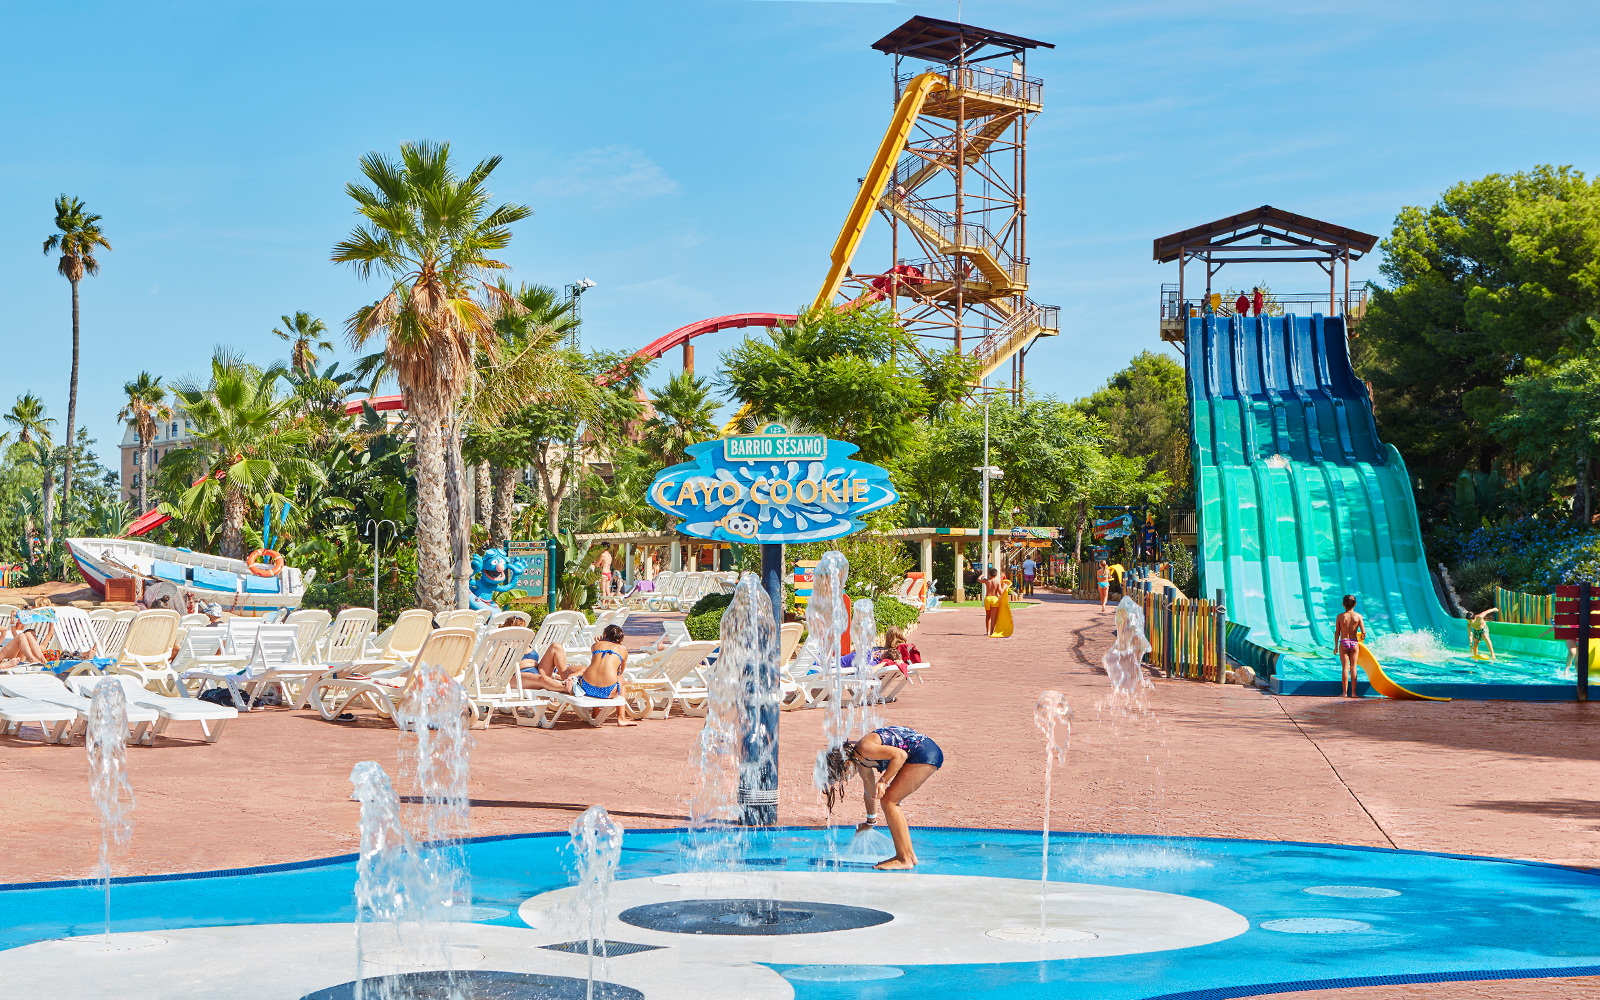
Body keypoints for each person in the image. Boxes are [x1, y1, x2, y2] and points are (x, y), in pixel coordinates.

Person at [821, 725, 944, 870]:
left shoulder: (864, 748)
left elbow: (900, 755)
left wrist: (884, 781)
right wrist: (870, 822)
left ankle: (903, 859)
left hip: (925, 753)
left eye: (843, 775)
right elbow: (870, 793)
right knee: (890, 801)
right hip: (923, 752)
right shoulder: (862, 763)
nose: (846, 779)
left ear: (847, 763)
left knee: (889, 801)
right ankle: (909, 856)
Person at [520, 623, 635, 726]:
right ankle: (621, 717)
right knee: (620, 679)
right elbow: (619, 672)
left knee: (594, 673)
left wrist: (599, 642)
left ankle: (595, 713)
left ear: (604, 635)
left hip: (587, 687)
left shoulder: (595, 646)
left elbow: (598, 660)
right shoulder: (623, 650)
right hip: (607, 691)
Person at [1335, 594, 1364, 698]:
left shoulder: (1339, 617)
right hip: (1354, 642)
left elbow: (1337, 632)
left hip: (1344, 642)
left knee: (1345, 668)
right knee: (1353, 668)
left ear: (1343, 605)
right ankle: (1353, 693)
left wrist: (1335, 646)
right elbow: (1363, 632)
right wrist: (1362, 640)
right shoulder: (1359, 616)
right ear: (1355, 604)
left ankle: (1344, 693)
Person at [982, 567, 1005, 635]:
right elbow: (1000, 592)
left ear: (989, 574)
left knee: (987, 616)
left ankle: (987, 631)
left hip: (987, 598)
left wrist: (982, 575)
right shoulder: (997, 582)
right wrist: (1005, 587)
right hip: (994, 599)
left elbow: (979, 579)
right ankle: (992, 631)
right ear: (996, 575)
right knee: (993, 617)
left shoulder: (986, 581)